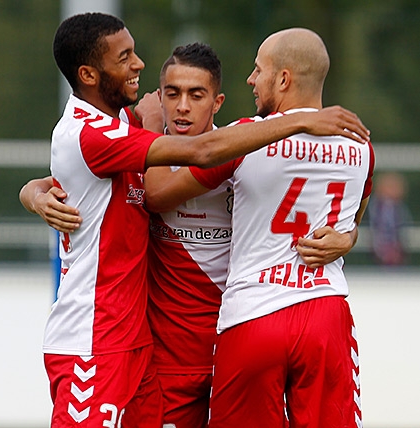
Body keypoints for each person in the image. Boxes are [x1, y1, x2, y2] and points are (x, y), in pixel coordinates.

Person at [34, 12, 368, 428]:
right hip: (160, 355)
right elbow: (81, 174)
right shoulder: (136, 135)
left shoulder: (242, 149)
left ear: (217, 103)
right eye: (171, 93)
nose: (182, 106)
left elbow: (323, 207)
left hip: (235, 337)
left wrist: (349, 236)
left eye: (196, 94)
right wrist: (33, 194)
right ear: (158, 96)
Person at [146, 28, 372, 427]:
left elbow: (159, 193)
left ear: (283, 79)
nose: (251, 79)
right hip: (324, 313)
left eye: (258, 70)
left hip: (253, 316)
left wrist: (149, 129)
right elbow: (354, 219)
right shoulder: (359, 143)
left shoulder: (244, 139)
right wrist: (348, 240)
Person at [368, 171, 412, 265]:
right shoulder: (373, 207)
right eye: (391, 187)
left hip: (398, 255)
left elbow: (405, 229)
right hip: (373, 257)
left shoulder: (401, 209)